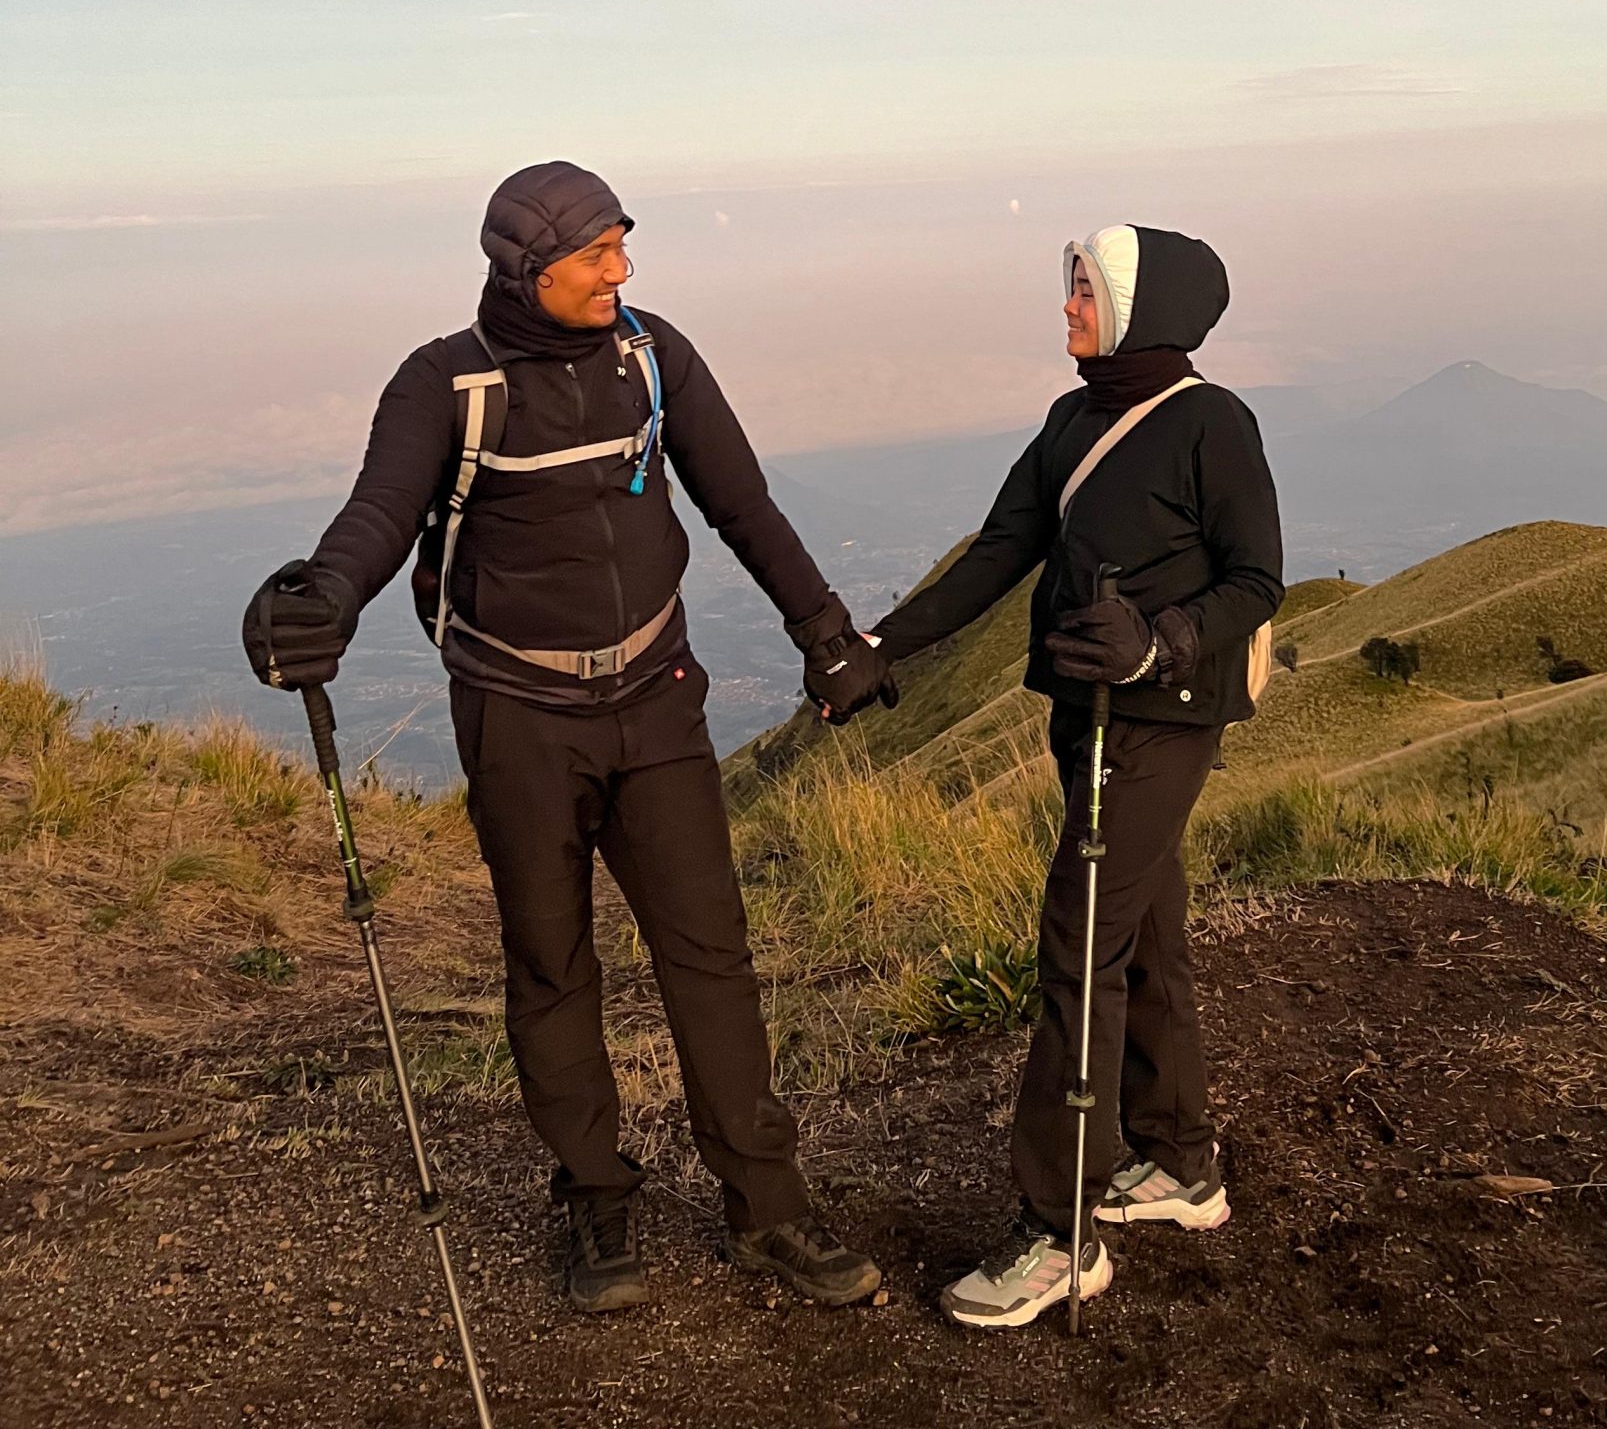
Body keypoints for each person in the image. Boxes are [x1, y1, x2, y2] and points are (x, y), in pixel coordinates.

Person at [242, 161, 893, 1314]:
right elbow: (380, 514)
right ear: (523, 266)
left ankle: (770, 1208)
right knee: (551, 961)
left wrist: (827, 631)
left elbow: (741, 500)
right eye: (597, 254)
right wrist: (325, 598)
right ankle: (596, 1197)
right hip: (518, 715)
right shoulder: (445, 383)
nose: (623, 270)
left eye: (622, 245)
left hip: (658, 697)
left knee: (712, 956)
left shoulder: (656, 356)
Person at [869, 223, 1283, 1329]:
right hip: (1082, 719)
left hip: (1159, 718)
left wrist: (1164, 643)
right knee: (1144, 929)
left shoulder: (1212, 423)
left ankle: (1061, 1231)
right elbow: (1002, 549)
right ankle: (1182, 1161)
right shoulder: (1073, 421)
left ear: (1142, 309)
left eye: (1083, 295)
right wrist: (885, 646)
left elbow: (1258, 578)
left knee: (1078, 939)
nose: (1066, 311)